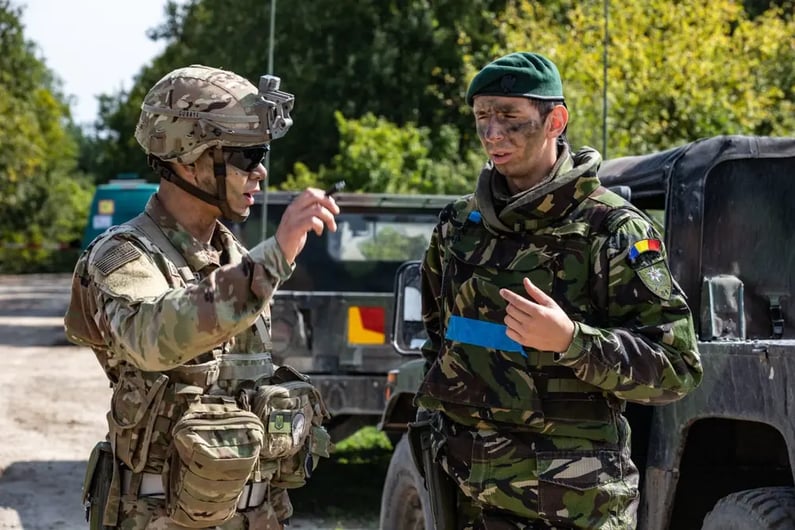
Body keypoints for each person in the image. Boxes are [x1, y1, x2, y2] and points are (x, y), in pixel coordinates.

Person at [414, 52, 703, 530]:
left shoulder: (612, 229)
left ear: (555, 120)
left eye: (509, 118)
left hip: (576, 510)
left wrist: (571, 341)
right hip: (472, 506)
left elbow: (677, 367)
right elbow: (440, 346)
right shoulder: (459, 228)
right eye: (482, 118)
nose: (492, 135)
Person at [64, 65, 339, 530]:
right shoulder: (123, 254)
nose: (260, 173)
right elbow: (151, 337)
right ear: (188, 159)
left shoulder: (232, 254)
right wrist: (274, 258)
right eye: (246, 156)